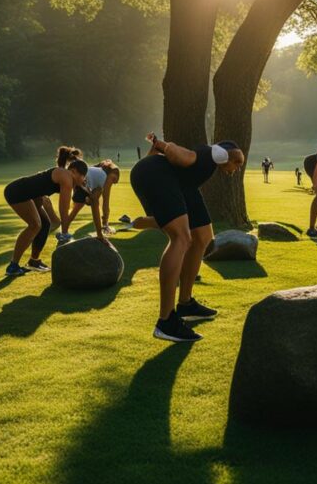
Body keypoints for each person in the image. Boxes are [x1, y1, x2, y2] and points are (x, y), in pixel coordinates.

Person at [129, 133, 245, 342]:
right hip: (154, 175)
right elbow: (178, 154)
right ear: (228, 157)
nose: (235, 171)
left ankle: (185, 303)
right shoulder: (207, 156)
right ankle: (166, 321)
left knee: (203, 236)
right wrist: (159, 144)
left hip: (177, 182)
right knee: (181, 238)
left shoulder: (210, 163)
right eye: (237, 165)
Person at [3, 147, 94, 276]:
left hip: (29, 195)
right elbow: (64, 207)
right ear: (74, 171)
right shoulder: (66, 177)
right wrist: (65, 232)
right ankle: (13, 266)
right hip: (17, 192)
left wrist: (86, 190)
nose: (83, 180)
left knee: (45, 224)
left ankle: (34, 261)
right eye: (83, 177)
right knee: (35, 225)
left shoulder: (67, 176)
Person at [61, 160, 122, 238]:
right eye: (115, 179)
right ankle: (64, 233)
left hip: (82, 183)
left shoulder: (97, 173)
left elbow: (94, 198)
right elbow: (105, 201)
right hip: (82, 183)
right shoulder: (105, 178)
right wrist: (105, 224)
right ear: (112, 175)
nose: (115, 182)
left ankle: (63, 232)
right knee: (84, 206)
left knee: (77, 208)